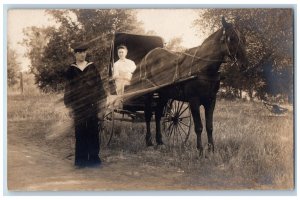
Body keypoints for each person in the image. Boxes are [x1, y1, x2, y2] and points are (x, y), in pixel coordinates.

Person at [64, 41, 105, 168]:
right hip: (78, 106)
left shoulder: (92, 67)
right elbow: (68, 88)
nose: (82, 55)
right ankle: (81, 161)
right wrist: (70, 106)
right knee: (80, 132)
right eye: (79, 53)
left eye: (84, 52)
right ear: (75, 54)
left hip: (92, 104)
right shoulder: (71, 70)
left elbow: (99, 86)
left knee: (93, 131)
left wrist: (101, 105)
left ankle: (93, 159)